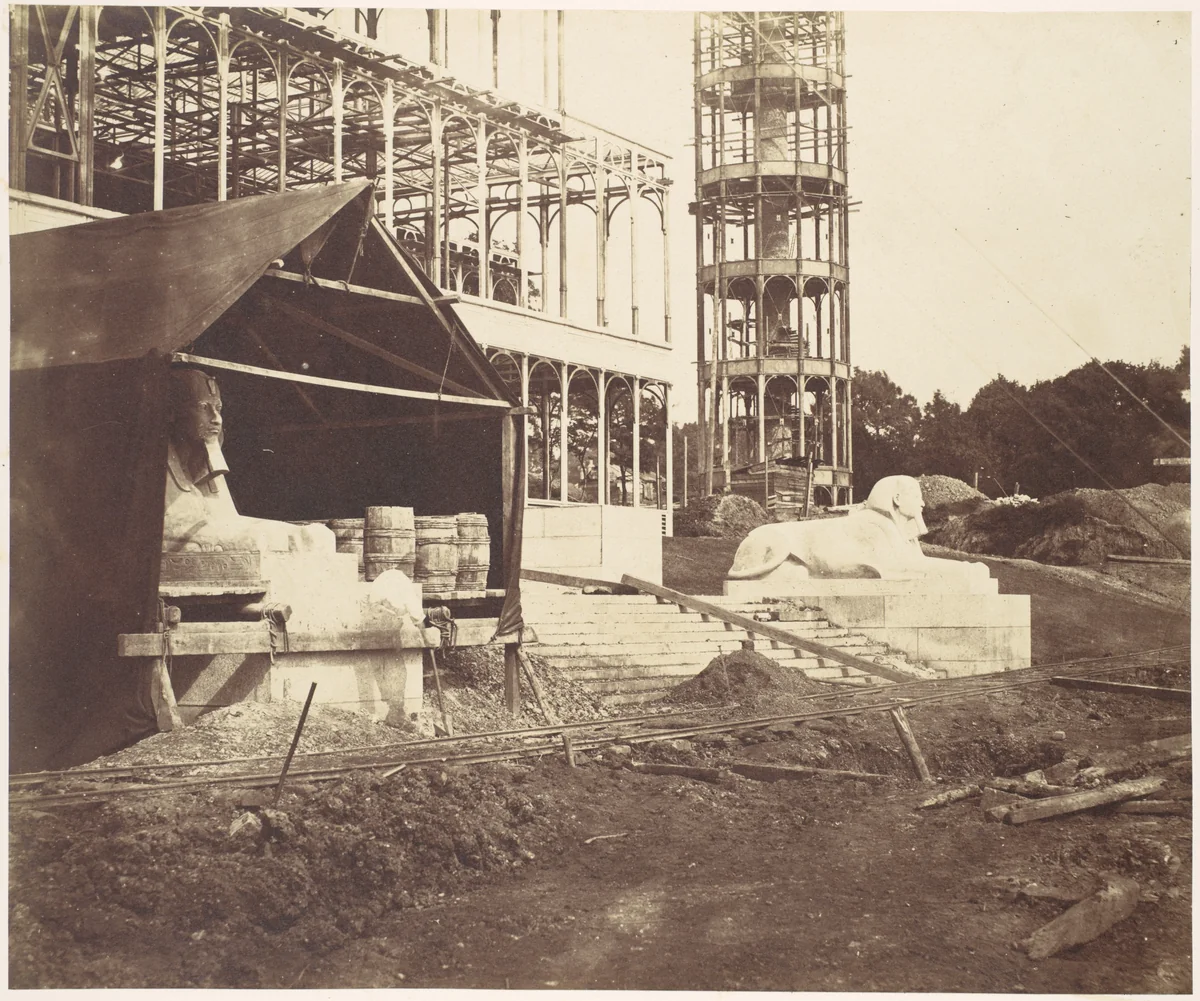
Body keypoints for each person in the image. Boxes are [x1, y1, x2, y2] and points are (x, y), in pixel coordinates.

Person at [162, 368, 334, 555]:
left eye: (218, 408)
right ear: (171, 412)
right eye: (204, 407)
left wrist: (293, 532)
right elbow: (171, 532)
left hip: (208, 536)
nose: (216, 419)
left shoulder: (203, 460)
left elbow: (228, 522)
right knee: (261, 539)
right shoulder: (155, 466)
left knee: (314, 537)